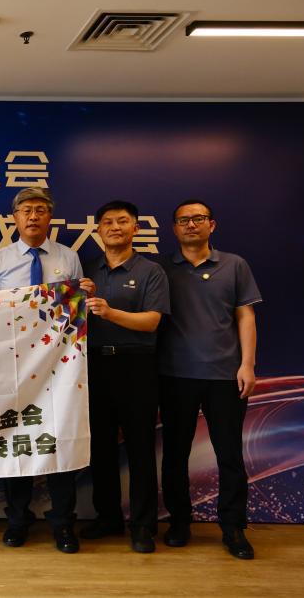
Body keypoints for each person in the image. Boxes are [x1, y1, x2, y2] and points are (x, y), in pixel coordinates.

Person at [0, 187, 94, 554]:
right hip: (12, 367)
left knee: (58, 441)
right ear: (14, 218)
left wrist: (83, 294)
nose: (33, 216)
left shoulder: (68, 257)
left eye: (40, 210)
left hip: (60, 368)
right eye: (26, 210)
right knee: (16, 442)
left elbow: (78, 313)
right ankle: (17, 520)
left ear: (50, 217)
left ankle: (63, 523)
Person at [159, 199, 261, 560]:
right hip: (175, 375)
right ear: (174, 228)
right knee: (174, 454)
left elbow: (245, 316)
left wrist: (247, 364)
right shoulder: (161, 269)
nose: (191, 224)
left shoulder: (234, 265)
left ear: (211, 225)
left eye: (198, 218)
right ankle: (179, 522)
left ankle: (233, 527)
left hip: (225, 376)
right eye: (183, 220)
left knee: (229, 454)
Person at [82, 200, 170, 553]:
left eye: (122, 221)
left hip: (136, 366)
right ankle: (108, 518)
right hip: (94, 366)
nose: (114, 227)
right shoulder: (88, 270)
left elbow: (152, 322)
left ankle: (143, 525)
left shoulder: (151, 271)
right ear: (98, 230)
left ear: (136, 228)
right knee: (100, 448)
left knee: (140, 448)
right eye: (107, 222)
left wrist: (109, 312)